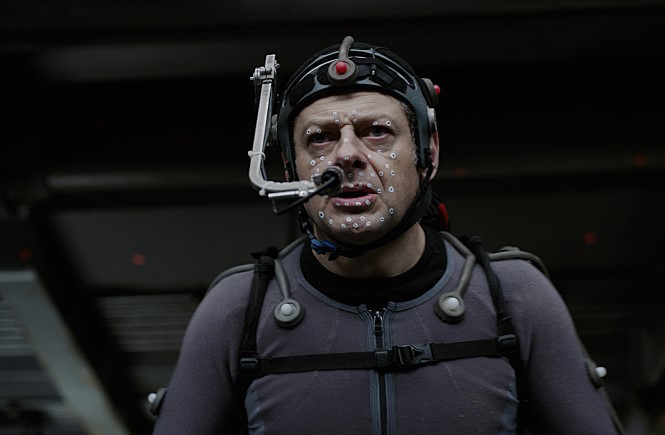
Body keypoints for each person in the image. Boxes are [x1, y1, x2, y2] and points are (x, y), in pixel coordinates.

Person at [152, 36, 621, 434]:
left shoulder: (514, 298)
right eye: (319, 138)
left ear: (428, 152)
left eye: (377, 131)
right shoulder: (239, 310)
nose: (346, 155)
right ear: (290, 169)